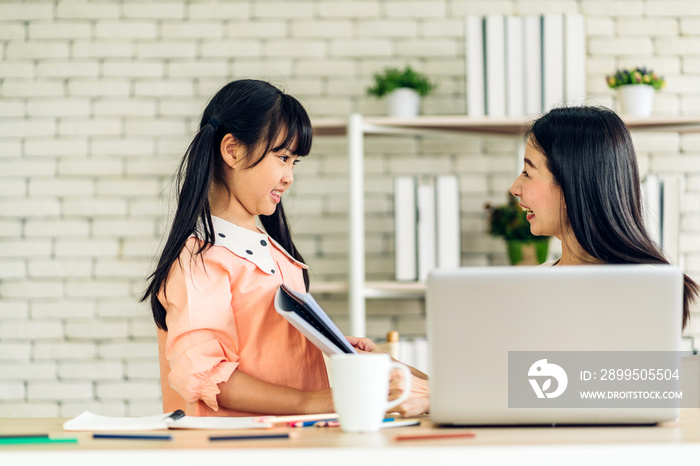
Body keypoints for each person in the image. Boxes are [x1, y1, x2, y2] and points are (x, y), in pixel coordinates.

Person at [142, 79, 334, 417]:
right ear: (232, 150)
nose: (289, 176)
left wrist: (335, 345)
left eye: (294, 163)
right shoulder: (200, 260)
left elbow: (274, 352)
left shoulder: (276, 255)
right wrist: (311, 403)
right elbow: (205, 374)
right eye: (283, 157)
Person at [510, 105, 698, 329]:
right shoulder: (530, 285)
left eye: (527, 173)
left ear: (573, 184)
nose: (515, 188)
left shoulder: (649, 288)